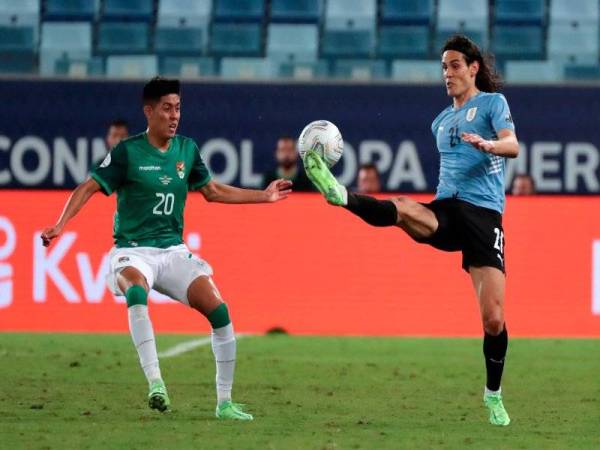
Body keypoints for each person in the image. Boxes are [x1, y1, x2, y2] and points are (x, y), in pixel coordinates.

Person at [41, 77, 292, 421]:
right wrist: (60, 224)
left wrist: (265, 196)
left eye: (178, 108)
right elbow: (87, 188)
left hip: (172, 251)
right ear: (149, 111)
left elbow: (214, 191)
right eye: (166, 108)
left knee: (220, 312)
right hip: (133, 251)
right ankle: (156, 384)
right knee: (136, 294)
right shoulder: (127, 152)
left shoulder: (187, 149)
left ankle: (224, 403)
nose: (174, 116)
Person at [303, 35, 517, 427]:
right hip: (448, 210)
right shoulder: (439, 121)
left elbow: (513, 146)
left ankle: (493, 396)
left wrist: (488, 145)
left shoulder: (492, 104)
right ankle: (340, 194)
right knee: (402, 209)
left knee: (494, 320)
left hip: (484, 218)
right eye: (443, 67)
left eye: (454, 65)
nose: (447, 74)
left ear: (473, 68)